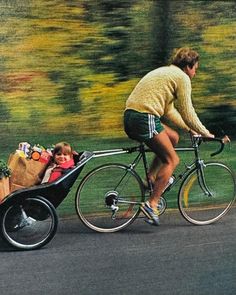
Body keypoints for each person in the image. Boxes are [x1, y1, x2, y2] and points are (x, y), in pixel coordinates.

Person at [124, 47, 215, 226]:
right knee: (172, 160)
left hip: (132, 116)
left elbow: (169, 111)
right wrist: (205, 132)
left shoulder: (166, 72)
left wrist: (189, 129)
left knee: (172, 138)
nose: (195, 72)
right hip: (145, 117)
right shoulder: (182, 78)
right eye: (196, 68)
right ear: (188, 66)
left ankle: (150, 178)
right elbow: (188, 111)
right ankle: (152, 204)